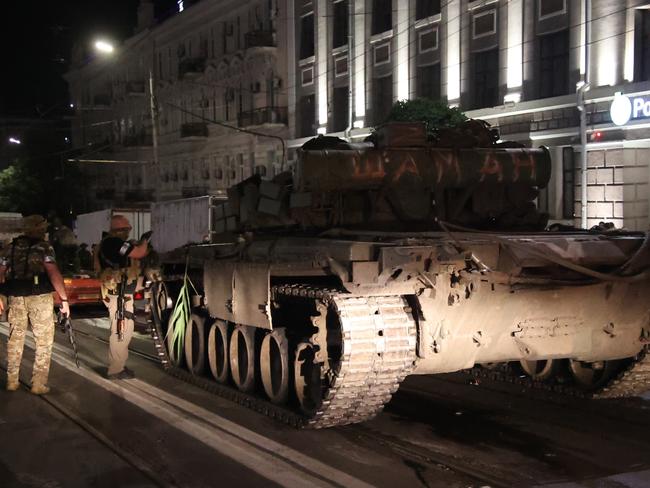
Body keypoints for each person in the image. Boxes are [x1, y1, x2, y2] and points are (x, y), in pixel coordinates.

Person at [0, 215, 71, 394]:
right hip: (39, 297)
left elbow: (0, 270)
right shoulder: (44, 247)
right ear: (39, 229)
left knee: (15, 339)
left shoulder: (10, 248)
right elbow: (53, 272)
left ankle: (12, 381)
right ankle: (38, 384)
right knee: (43, 341)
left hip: (16, 296)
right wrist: (63, 300)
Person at [97, 215, 150, 379]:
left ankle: (119, 365)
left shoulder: (109, 243)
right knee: (121, 331)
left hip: (120, 294)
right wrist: (145, 241)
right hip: (119, 296)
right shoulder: (113, 243)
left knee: (124, 331)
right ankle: (115, 369)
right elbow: (140, 253)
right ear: (120, 230)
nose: (128, 233)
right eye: (127, 230)